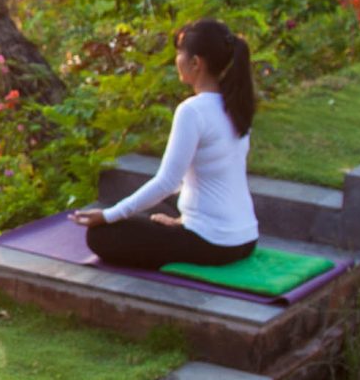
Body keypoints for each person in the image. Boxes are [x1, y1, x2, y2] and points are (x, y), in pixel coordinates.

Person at [69, 18, 259, 270]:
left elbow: (167, 182)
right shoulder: (235, 105)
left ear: (195, 63)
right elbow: (196, 179)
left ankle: (177, 231)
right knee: (158, 210)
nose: (176, 59)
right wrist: (182, 220)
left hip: (214, 244)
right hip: (245, 238)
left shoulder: (192, 110)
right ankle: (182, 225)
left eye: (180, 53)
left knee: (101, 235)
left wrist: (107, 215)